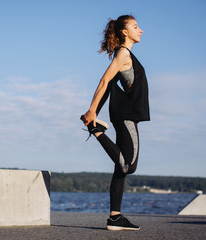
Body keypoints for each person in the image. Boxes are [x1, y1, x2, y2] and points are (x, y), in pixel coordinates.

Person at [80, 15, 150, 231]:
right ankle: (97, 131)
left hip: (125, 113)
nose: (141, 30)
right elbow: (104, 81)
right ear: (124, 32)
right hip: (126, 115)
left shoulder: (126, 54)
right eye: (135, 27)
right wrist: (92, 111)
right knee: (128, 166)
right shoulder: (123, 53)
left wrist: (95, 109)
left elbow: (109, 85)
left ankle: (115, 217)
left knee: (119, 170)